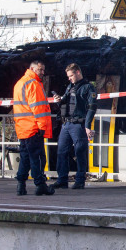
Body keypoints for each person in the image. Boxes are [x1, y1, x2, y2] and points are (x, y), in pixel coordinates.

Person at [12, 60, 55, 196]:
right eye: (40, 70)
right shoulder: (33, 84)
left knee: (25, 157)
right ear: (32, 68)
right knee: (38, 157)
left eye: (43, 70)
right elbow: (38, 108)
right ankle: (40, 184)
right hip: (33, 127)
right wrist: (42, 127)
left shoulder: (20, 83)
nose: (42, 73)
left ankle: (21, 185)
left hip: (22, 128)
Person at [53, 63, 97, 190]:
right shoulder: (70, 87)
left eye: (71, 75)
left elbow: (92, 107)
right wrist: (59, 100)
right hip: (66, 123)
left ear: (78, 72)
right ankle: (62, 180)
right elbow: (65, 103)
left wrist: (87, 125)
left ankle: (80, 180)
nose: (69, 78)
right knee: (61, 151)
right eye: (68, 76)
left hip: (78, 124)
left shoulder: (88, 88)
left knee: (80, 152)